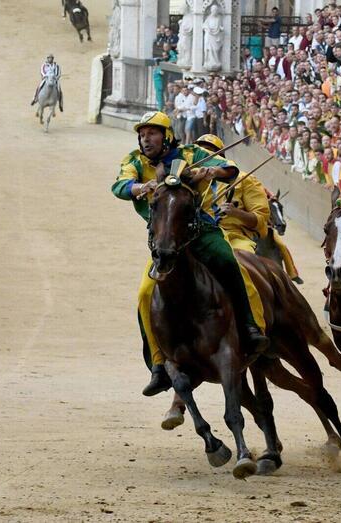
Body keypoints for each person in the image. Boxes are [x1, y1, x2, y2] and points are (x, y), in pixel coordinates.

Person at [112, 111, 269, 396]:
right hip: (165, 241)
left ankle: (249, 326)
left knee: (229, 263)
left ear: (167, 135)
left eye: (152, 133)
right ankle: (159, 365)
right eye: (142, 134)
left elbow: (230, 169)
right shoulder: (134, 161)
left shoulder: (192, 152)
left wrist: (213, 171)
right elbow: (119, 186)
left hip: (201, 232)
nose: (145, 139)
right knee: (146, 293)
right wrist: (139, 186)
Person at [194, 134, 271, 253]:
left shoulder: (245, 179)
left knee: (242, 263)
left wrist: (236, 213)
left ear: (220, 157)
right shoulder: (188, 179)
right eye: (200, 153)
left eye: (209, 153)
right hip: (195, 237)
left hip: (233, 239)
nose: (204, 158)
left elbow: (261, 221)